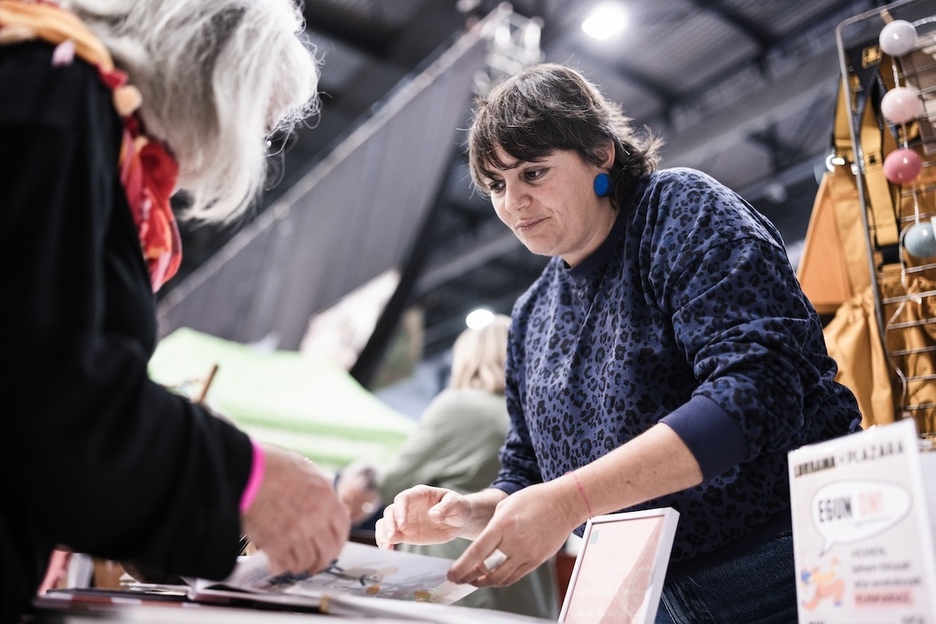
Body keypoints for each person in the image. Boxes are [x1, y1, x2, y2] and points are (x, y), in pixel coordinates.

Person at [374, 63, 863, 622]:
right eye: (497, 186)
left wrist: (570, 501)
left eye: (533, 173)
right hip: (642, 592)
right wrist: (467, 512)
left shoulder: (678, 211)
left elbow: (758, 390)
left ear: (601, 154)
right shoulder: (533, 314)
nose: (512, 204)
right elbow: (527, 475)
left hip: (786, 566)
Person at [0, 1, 350, 621]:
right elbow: (49, 396)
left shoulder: (49, 86)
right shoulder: (56, 89)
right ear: (217, 80)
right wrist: (249, 475)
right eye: (259, 121)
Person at [337, 315, 559, 619]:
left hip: (457, 582)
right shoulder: (539, 419)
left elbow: (392, 483)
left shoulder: (458, 406)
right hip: (527, 583)